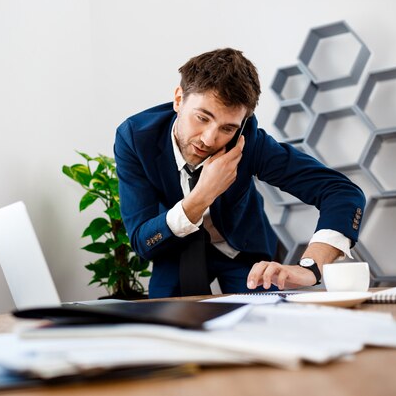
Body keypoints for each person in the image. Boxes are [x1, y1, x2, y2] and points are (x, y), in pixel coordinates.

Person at [114, 48, 366, 298]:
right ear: (179, 99)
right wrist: (202, 195)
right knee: (165, 324)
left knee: (263, 322)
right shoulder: (135, 139)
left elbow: (341, 192)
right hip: (174, 250)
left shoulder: (249, 142)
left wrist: (311, 267)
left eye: (227, 127)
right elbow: (141, 240)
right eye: (202, 118)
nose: (209, 139)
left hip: (243, 250)